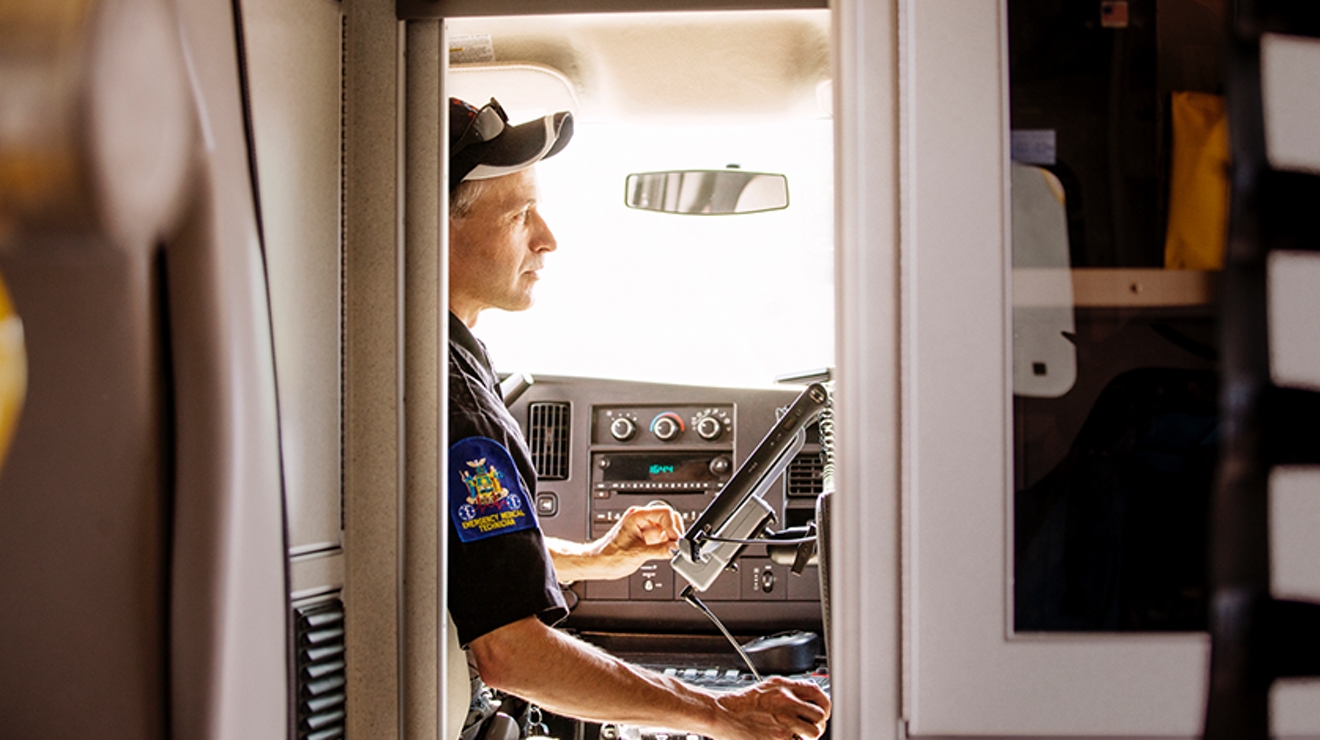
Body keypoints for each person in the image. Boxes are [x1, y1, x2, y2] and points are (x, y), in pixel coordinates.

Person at [445, 96, 831, 740]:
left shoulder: (435, 360)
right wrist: (717, 711)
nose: (547, 237)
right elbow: (508, 651)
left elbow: (470, 558)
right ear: (436, 229)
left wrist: (596, 559)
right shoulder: (460, 405)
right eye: (519, 215)